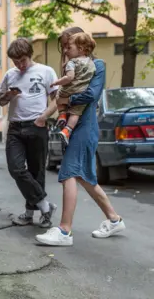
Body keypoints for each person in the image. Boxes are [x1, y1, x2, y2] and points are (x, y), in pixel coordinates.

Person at [35, 27, 126, 246]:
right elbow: (62, 97)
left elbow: (92, 94)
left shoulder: (98, 65)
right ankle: (114, 220)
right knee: (85, 178)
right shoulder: (72, 67)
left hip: (86, 125)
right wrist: (55, 112)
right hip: (75, 125)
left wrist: (67, 100)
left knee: (68, 172)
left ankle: (65, 231)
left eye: (69, 45)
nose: (66, 50)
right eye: (64, 47)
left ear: (81, 44)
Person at [0, 38, 59, 228]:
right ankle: (45, 205)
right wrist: (8, 95)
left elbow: (57, 99)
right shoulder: (10, 74)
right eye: (16, 62)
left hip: (37, 125)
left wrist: (44, 117)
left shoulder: (46, 71)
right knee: (16, 168)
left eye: (22, 60)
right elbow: (1, 101)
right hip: (15, 127)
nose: (20, 65)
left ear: (30, 55)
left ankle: (31, 214)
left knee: (37, 171)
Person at [51, 32, 97, 145]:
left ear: (80, 48)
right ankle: (67, 130)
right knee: (76, 113)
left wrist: (57, 82)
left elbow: (69, 77)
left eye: (69, 47)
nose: (66, 51)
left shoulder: (73, 62)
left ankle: (61, 115)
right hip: (81, 91)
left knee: (58, 96)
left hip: (69, 90)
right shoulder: (92, 64)